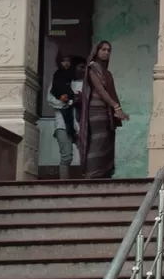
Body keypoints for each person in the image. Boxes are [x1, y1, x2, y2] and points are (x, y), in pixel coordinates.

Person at [79, 40, 125, 180]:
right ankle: (91, 176)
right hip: (96, 110)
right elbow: (100, 89)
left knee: (106, 140)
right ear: (96, 51)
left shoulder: (107, 72)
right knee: (98, 141)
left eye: (108, 50)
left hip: (107, 111)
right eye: (103, 49)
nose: (106, 52)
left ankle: (103, 174)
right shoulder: (93, 67)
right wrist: (116, 106)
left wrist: (115, 109)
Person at [49, 52, 82, 180]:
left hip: (79, 124)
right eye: (63, 61)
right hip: (62, 123)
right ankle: (64, 185)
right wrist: (69, 102)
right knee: (66, 156)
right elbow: (50, 99)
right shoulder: (57, 79)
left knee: (86, 155)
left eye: (68, 61)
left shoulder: (78, 81)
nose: (66, 63)